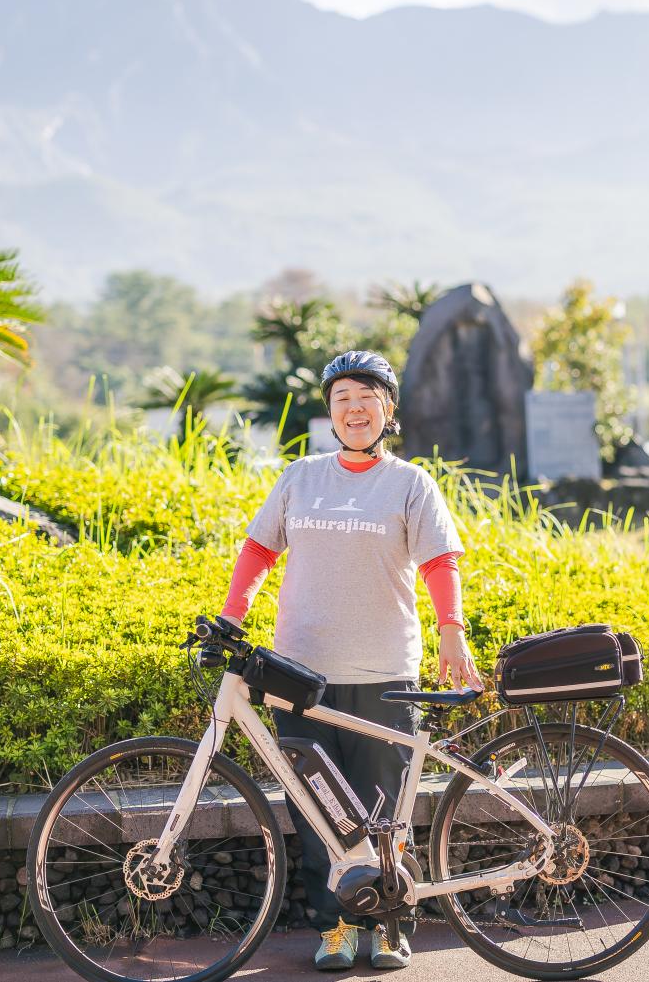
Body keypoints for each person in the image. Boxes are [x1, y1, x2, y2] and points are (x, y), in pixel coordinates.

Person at [218, 349, 482, 972]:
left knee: (384, 807)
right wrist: (233, 614)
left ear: (387, 411)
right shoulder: (299, 477)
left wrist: (453, 630)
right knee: (315, 810)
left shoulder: (411, 484)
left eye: (367, 398)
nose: (355, 409)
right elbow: (259, 550)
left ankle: (390, 926)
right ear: (330, 414)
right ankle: (334, 926)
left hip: (385, 670)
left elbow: (441, 563)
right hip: (300, 674)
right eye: (342, 400)